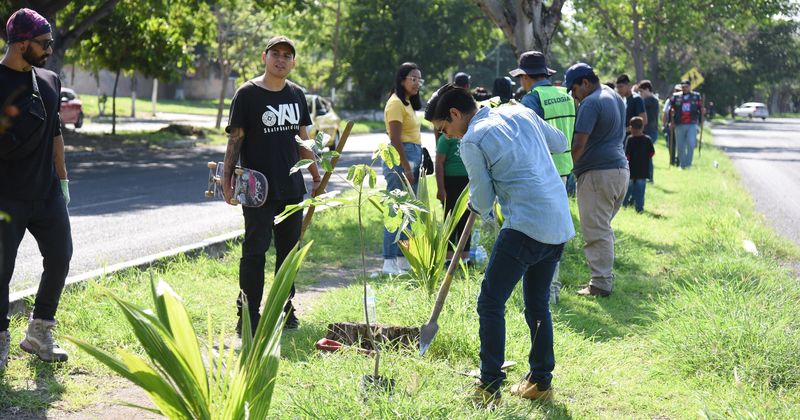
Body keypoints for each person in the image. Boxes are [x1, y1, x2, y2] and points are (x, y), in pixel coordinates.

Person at [427, 85, 574, 406]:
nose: (447, 136)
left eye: (444, 128)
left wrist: (476, 207)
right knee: (537, 304)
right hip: (558, 221)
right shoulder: (520, 111)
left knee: (490, 301)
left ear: (454, 114)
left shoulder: (472, 140)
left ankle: (489, 383)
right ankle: (540, 382)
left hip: (525, 226)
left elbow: (481, 198)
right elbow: (560, 143)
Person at [224, 35, 322, 334]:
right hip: (257, 189)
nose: (281, 59)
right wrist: (228, 181)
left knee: (288, 254)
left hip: (292, 188)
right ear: (265, 56)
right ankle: (248, 316)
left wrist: (316, 176)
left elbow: (303, 139)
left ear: (293, 62)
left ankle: (284, 309)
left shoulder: (296, 95)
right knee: (254, 253)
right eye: (276, 53)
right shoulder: (247, 94)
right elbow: (235, 139)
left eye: (287, 56)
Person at [0, 8, 72, 369]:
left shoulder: (49, 80)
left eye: (51, 43)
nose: (49, 50)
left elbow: (55, 134)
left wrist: (63, 181)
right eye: (44, 44)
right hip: (6, 196)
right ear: (21, 43)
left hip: (46, 193)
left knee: (60, 257)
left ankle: (39, 332)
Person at [511, 50, 576, 304]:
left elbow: (526, 139)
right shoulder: (565, 95)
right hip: (564, 168)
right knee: (557, 230)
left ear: (526, 77)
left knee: (539, 232)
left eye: (521, 78)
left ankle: (544, 292)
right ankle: (553, 290)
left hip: (542, 171)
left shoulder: (531, 100)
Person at [564, 63, 629, 298]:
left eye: (574, 89)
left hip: (597, 174)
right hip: (619, 170)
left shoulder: (591, 102)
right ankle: (602, 278)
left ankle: (600, 284)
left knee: (597, 231)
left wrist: (564, 168)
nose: (574, 95)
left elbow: (579, 144)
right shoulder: (613, 96)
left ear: (585, 83)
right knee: (602, 228)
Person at [381, 62, 424, 275]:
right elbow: (395, 138)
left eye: (419, 79)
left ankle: (402, 259)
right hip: (401, 158)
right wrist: (406, 167)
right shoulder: (395, 103)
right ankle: (388, 261)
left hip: (412, 155)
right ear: (401, 80)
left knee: (409, 210)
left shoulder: (407, 103)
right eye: (413, 79)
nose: (417, 83)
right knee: (396, 209)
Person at [427, 84, 472, 266]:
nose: (445, 134)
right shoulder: (447, 139)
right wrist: (441, 188)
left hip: (466, 182)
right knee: (450, 219)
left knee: (466, 219)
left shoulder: (471, 135)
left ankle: (466, 257)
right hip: (450, 182)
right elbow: (439, 162)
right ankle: (448, 257)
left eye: (443, 129)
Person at [622, 117, 655, 213]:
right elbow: (652, 153)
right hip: (643, 170)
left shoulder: (630, 139)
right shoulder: (647, 139)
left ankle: (624, 205)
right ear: (642, 127)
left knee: (627, 190)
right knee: (640, 191)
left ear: (631, 128)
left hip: (631, 170)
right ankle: (639, 208)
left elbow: (626, 155)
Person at [669, 80, 704, 169]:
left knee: (691, 143)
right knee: (680, 145)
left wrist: (702, 115)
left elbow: (700, 108)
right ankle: (682, 164)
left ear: (690, 87)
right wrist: (671, 119)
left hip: (692, 123)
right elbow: (671, 109)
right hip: (679, 123)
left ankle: (688, 164)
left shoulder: (696, 97)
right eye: (683, 87)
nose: (684, 88)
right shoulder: (676, 97)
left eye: (686, 86)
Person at [637, 80, 660, 181]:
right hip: (647, 131)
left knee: (647, 155)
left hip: (651, 132)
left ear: (647, 90)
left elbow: (639, 103)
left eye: (641, 91)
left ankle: (649, 177)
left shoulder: (652, 100)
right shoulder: (646, 100)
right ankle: (646, 176)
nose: (640, 94)